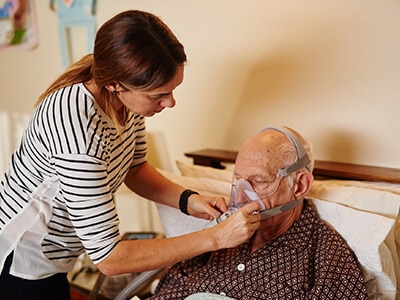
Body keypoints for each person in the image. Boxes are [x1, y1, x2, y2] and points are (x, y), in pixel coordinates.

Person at [0, 10, 261, 300]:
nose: (170, 102)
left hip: (57, 255)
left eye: (173, 90)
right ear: (115, 85)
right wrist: (216, 237)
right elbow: (110, 258)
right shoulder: (78, 133)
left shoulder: (125, 104)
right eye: (158, 95)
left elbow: (135, 169)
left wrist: (189, 200)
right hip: (21, 261)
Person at [150, 126, 368, 300]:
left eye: (259, 181)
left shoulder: (324, 257)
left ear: (300, 186)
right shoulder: (217, 237)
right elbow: (168, 292)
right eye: (239, 180)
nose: (242, 196)